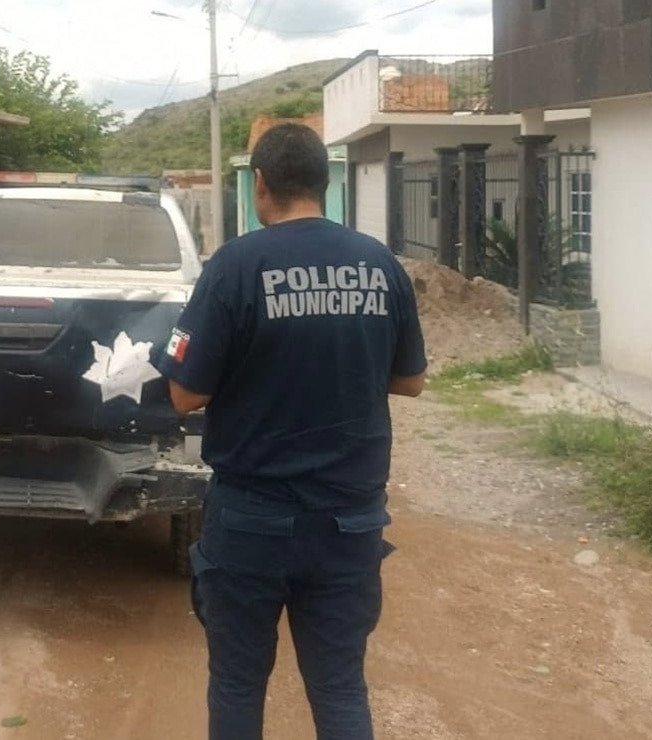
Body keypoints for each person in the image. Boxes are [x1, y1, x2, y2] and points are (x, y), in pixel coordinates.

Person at [156, 123, 428, 740]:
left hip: (252, 520)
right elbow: (411, 380)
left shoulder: (236, 265)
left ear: (260, 185)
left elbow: (185, 392)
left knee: (237, 683)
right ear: (324, 182)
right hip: (348, 522)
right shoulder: (379, 263)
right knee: (338, 687)